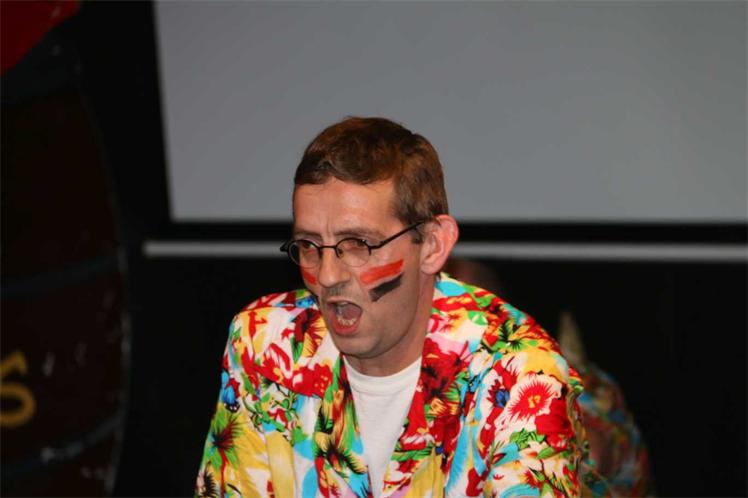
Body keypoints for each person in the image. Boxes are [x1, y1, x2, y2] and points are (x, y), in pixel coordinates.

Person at [196, 117, 609, 497]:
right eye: (308, 246)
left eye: (358, 244)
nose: (327, 275)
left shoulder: (519, 375)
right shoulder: (267, 343)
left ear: (432, 245)